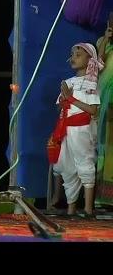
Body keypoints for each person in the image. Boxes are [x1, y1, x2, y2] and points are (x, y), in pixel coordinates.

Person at [50, 43, 102, 216]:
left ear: (90, 60)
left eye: (78, 54)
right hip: (66, 129)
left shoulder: (91, 83)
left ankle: (88, 208)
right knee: (66, 166)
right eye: (72, 53)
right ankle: (71, 208)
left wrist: (70, 97)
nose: (73, 57)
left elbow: (93, 110)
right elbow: (61, 108)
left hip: (82, 130)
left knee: (84, 164)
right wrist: (65, 98)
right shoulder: (69, 82)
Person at [96, 25, 113, 207]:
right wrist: (106, 41)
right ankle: (103, 199)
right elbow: (96, 68)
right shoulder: (102, 42)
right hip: (105, 102)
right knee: (104, 149)